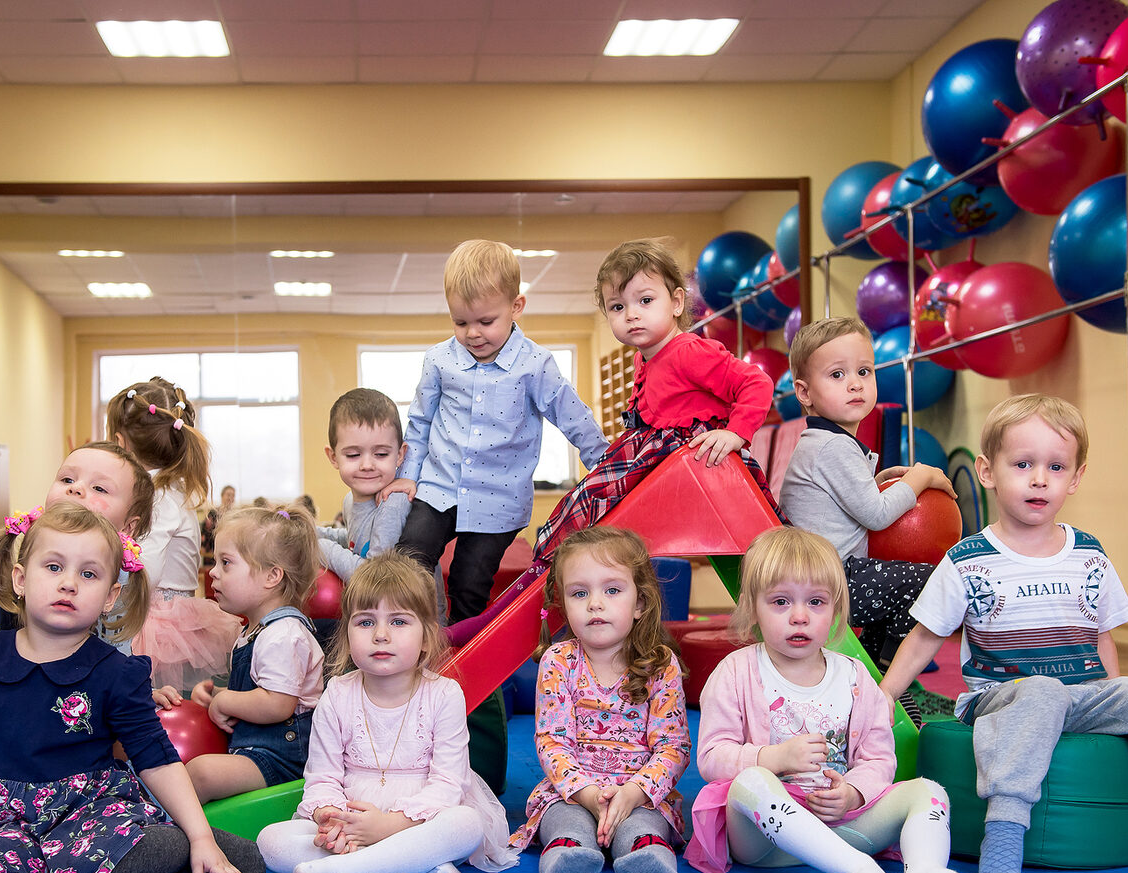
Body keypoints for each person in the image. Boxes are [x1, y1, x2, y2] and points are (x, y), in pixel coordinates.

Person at [879, 394, 1128, 873]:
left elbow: (1102, 637)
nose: (1039, 478)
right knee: (1042, 689)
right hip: (1001, 697)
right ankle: (1003, 837)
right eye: (1022, 464)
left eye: (1056, 466)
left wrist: (1118, 705)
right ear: (987, 471)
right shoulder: (969, 558)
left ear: (1076, 477)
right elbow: (924, 638)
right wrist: (882, 698)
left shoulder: (1088, 553)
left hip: (1083, 695)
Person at [0, 502, 263, 873]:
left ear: (110, 596)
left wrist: (201, 835)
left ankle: (177, 846)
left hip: (90, 812)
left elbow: (155, 756)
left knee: (112, 872)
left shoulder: (116, 672)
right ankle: (133, 860)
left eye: (88, 574)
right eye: (53, 567)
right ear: (21, 579)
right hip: (7, 820)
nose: (68, 584)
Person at [686, 527, 990, 873]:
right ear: (752, 608)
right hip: (765, 841)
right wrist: (773, 758)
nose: (800, 616)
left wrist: (853, 795)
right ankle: (858, 870)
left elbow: (879, 760)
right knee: (750, 783)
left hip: (841, 827)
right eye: (780, 602)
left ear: (835, 609)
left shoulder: (855, 677)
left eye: (816, 602)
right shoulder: (736, 672)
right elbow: (712, 757)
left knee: (928, 790)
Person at [257, 552, 517, 873]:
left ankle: (339, 872)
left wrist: (387, 827)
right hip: (353, 818)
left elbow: (447, 785)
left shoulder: (443, 694)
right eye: (365, 622)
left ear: (426, 637)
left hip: (419, 822)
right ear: (347, 635)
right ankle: (416, 869)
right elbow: (322, 778)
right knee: (271, 842)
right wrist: (332, 818)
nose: (380, 635)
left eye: (398, 622)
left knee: (465, 825)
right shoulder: (337, 693)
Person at [389, 238, 608, 624]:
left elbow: (573, 417)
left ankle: (464, 671)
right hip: (439, 486)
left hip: (499, 499)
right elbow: (420, 423)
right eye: (460, 322)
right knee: (408, 559)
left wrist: (607, 468)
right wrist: (408, 477)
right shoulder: (439, 360)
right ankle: (416, 644)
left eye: (485, 321)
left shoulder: (535, 365)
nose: (473, 333)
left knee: (469, 585)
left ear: (516, 307)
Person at [533, 239, 777, 564]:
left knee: (593, 498)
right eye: (618, 307)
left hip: (690, 459)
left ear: (677, 302)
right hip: (653, 451)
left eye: (645, 300)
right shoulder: (643, 358)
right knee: (585, 501)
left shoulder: (689, 351)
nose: (631, 315)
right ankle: (550, 566)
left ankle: (551, 565)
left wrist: (735, 433)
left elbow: (756, 382)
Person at [511, 526, 690, 873]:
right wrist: (588, 795)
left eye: (612, 590)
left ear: (639, 603)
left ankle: (653, 864)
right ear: (564, 605)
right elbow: (552, 742)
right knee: (564, 823)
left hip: (639, 793)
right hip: (574, 791)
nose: (595, 604)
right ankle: (564, 863)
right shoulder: (560, 661)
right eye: (580, 593)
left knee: (643, 826)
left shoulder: (661, 665)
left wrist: (634, 793)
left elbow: (673, 747)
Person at [778, 317, 955, 693]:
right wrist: (921, 476)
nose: (855, 383)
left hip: (826, 574)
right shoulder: (832, 446)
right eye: (837, 375)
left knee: (894, 587)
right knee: (929, 583)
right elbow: (875, 516)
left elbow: (843, 507)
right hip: (829, 581)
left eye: (864, 371)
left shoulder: (827, 443)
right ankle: (894, 679)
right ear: (805, 393)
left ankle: (879, 676)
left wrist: (879, 481)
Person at [105, 379, 240, 696]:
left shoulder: (158, 496)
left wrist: (103, 588)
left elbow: (144, 570)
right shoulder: (170, 490)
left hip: (154, 621)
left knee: (152, 708)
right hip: (160, 618)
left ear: (120, 443)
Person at [187, 503, 326, 800]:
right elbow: (259, 688)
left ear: (271, 576)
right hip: (258, 751)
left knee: (202, 773)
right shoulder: (256, 630)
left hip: (284, 760)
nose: (212, 573)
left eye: (226, 563)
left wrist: (226, 701)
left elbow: (278, 704)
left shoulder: (283, 634)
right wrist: (216, 695)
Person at [0, 441, 154, 655]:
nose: (75, 488)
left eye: (99, 488)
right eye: (67, 479)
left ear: (129, 527)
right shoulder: (31, 568)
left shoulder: (126, 585)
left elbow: (119, 659)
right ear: (21, 579)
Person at [317, 388, 411, 582]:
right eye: (353, 455)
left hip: (410, 611)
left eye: (381, 454)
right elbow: (355, 541)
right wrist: (310, 532)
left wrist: (320, 548)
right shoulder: (350, 500)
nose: (367, 465)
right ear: (333, 457)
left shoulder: (393, 504)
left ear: (400, 455)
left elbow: (375, 577)